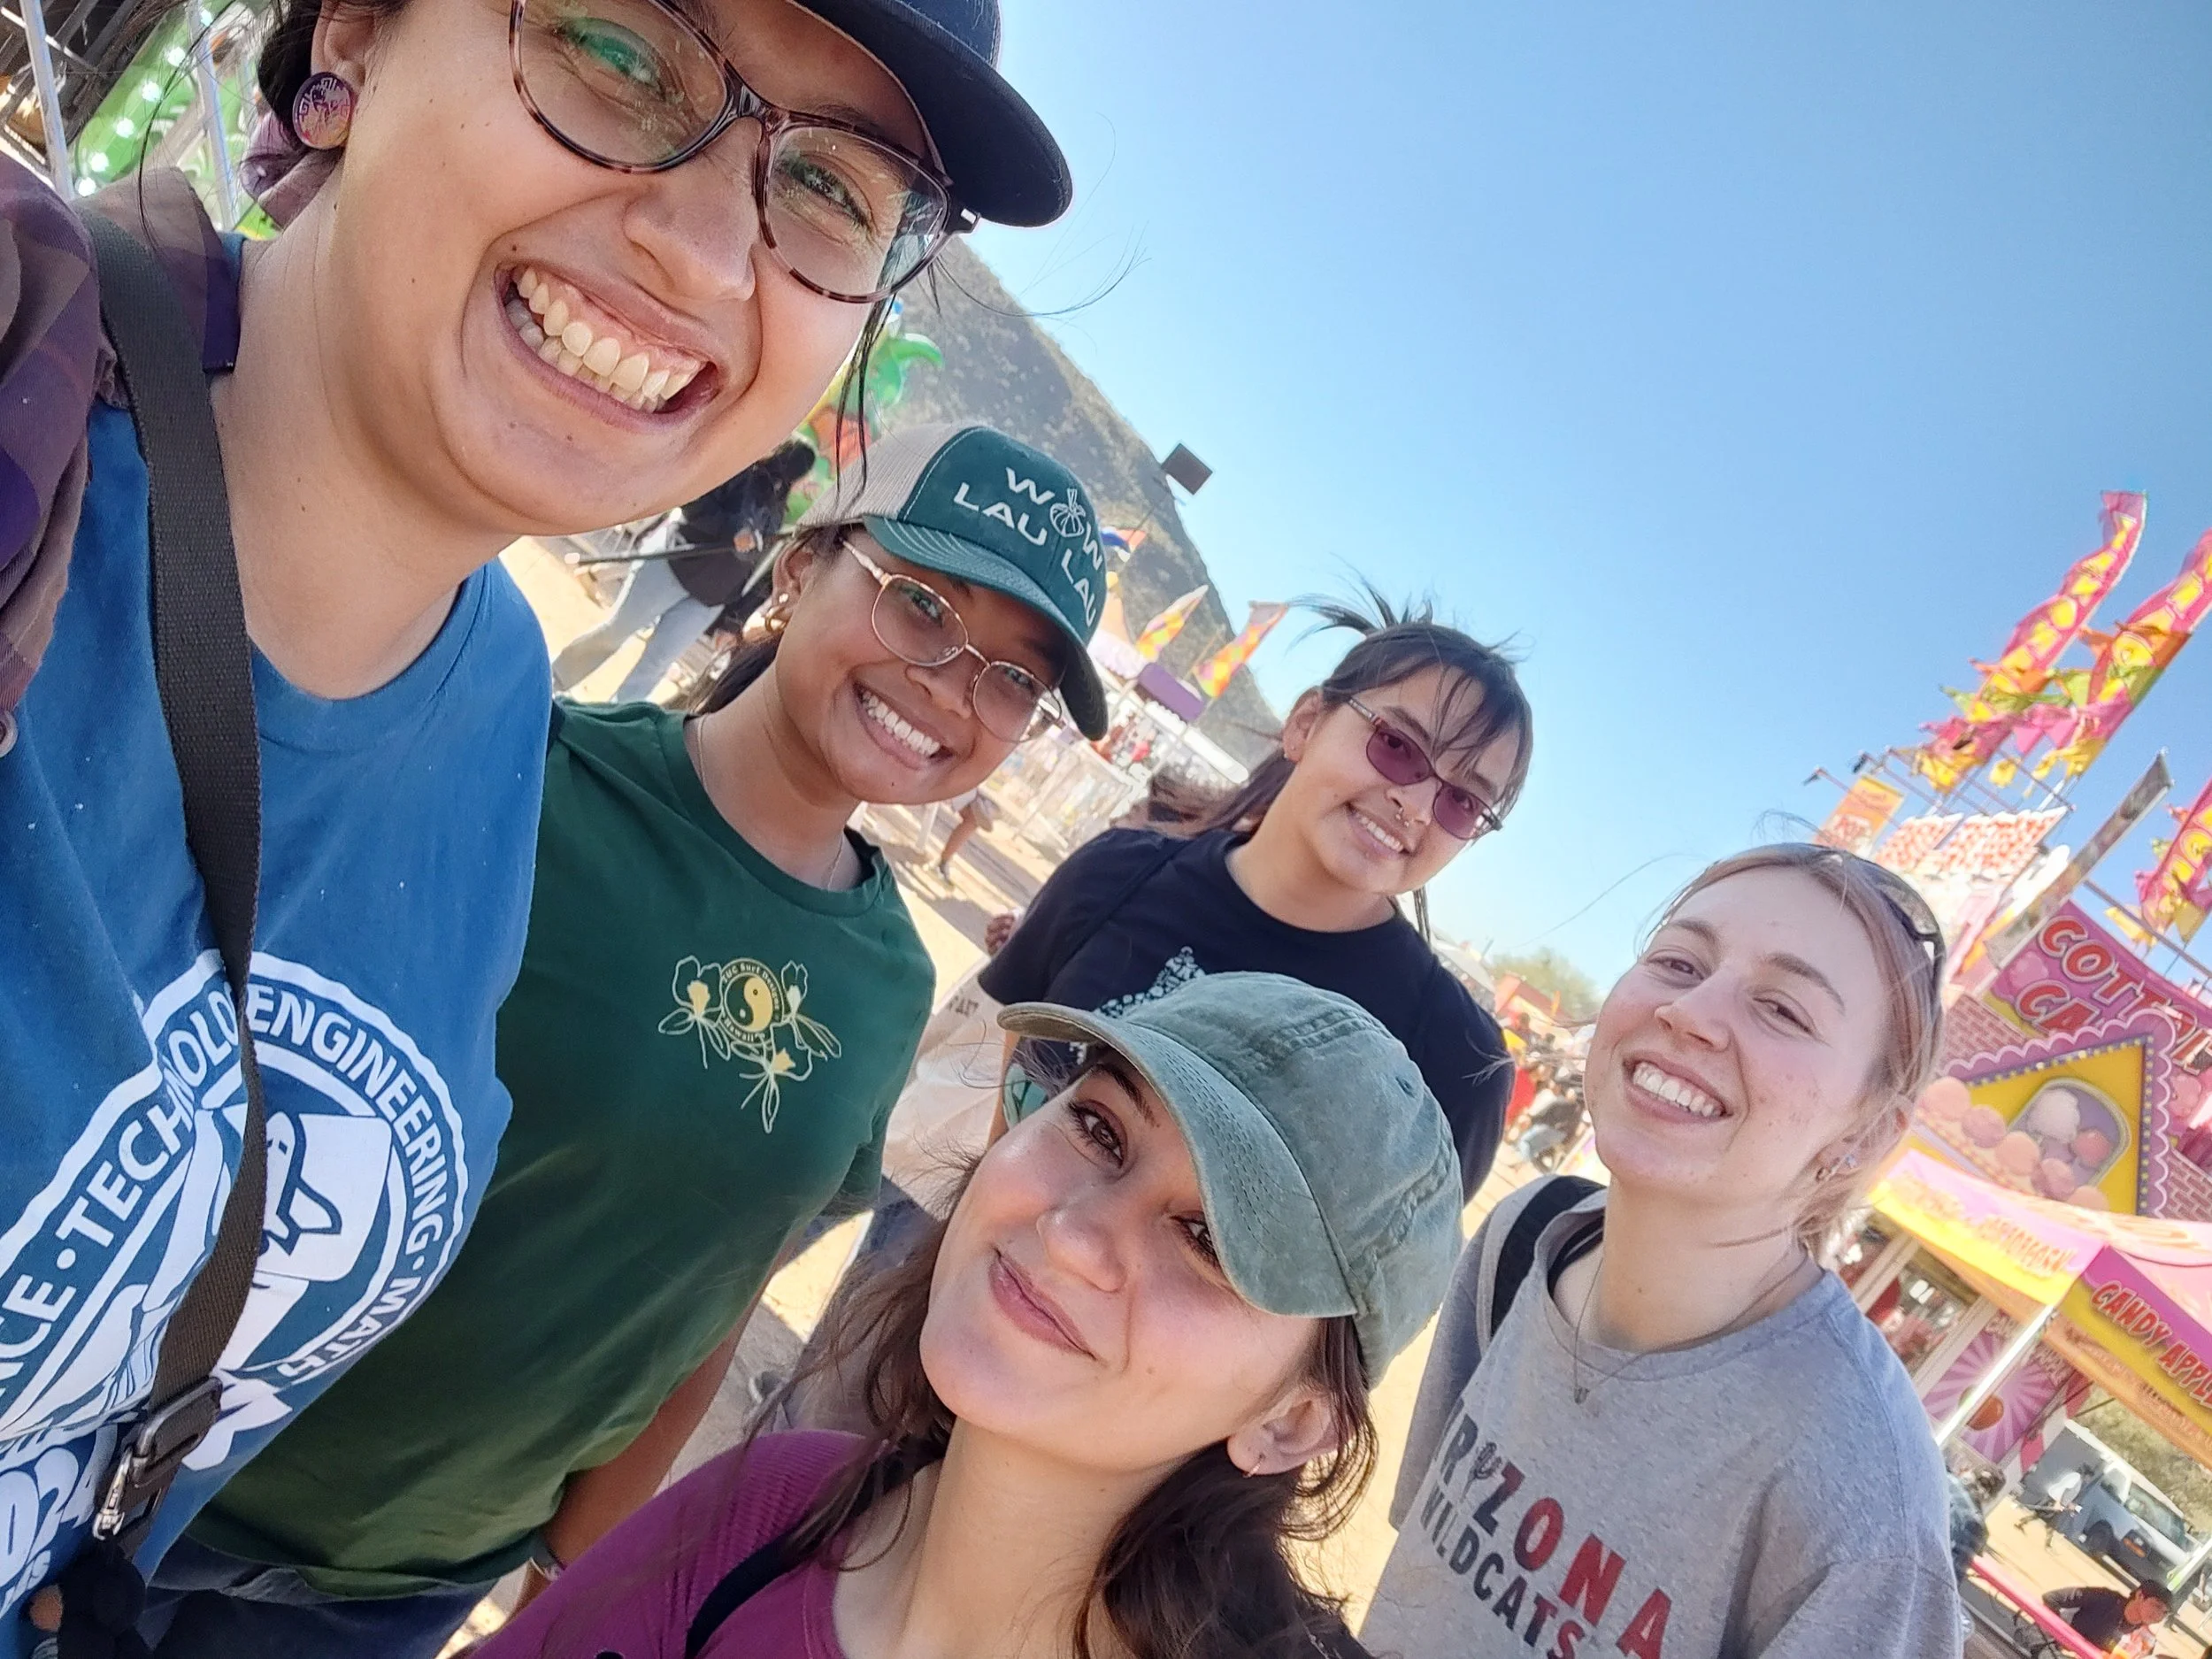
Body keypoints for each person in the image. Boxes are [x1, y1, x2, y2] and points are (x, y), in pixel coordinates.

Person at [4, 0, 1075, 1638]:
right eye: (620, 49)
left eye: (837, 193)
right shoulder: (27, 388)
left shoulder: (497, 701)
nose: (711, 252)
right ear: (359, 33)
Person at [144, 426, 1108, 1656]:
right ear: (799, 566)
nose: (950, 684)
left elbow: (711, 1299)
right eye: (921, 602)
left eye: (1014, 679)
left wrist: (572, 1569)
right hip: (161, 1475)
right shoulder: (527, 772)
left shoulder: (892, 986)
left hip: (402, 1581)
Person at [472, 971, 1465, 1659]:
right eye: (1097, 1127)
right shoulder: (775, 1505)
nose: (1077, 1233)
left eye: (1208, 1240)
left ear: (1289, 1421)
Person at [1366, 843, 1960, 1656]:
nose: (1690, 1013)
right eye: (1680, 961)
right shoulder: (1526, 1236)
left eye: (1783, 1009)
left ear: (1864, 1132)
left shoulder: (1861, 1496)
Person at [964, 595, 1534, 1205]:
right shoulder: (1117, 872)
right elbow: (1011, 1113)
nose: (1417, 805)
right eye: (1397, 745)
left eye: (1463, 801)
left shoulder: (1450, 1062)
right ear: (1306, 723)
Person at [552, 439, 817, 702]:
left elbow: (751, 569)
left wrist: (730, 619)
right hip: (674, 565)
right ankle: (557, 678)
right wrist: (730, 532)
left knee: (657, 663)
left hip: (710, 599)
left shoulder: (777, 509)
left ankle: (607, 719)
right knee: (617, 631)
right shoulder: (739, 471)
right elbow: (693, 504)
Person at [2043, 1581, 2171, 1652]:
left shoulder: (2143, 1640)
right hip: (2052, 1648)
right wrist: (2060, 1634)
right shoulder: (2105, 1599)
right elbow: (2052, 1598)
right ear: (2140, 1596)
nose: (2159, 1615)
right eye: (2157, 1606)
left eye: (2165, 1612)